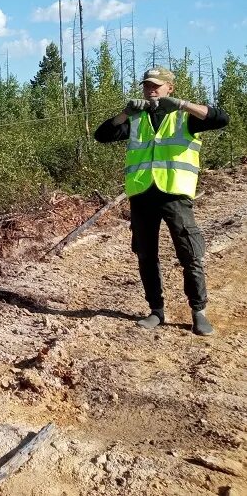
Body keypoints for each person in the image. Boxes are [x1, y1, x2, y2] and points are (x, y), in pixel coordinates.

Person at [94, 66, 229, 336]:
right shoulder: (137, 118)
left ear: (170, 88)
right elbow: (102, 135)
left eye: (156, 85)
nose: (150, 89)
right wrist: (125, 113)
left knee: (189, 252)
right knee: (146, 254)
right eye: (147, 85)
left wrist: (181, 104)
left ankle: (198, 311)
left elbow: (221, 118)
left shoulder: (184, 117)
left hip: (174, 193)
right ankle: (156, 311)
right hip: (143, 193)